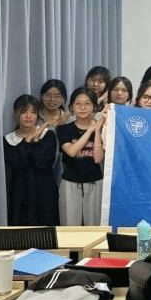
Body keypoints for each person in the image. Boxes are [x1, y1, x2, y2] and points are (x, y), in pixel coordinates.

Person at [4, 95, 59, 226]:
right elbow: (18, 163)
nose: (28, 116)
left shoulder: (48, 135)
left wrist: (35, 140)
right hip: (19, 194)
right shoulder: (9, 140)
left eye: (33, 112)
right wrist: (28, 141)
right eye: (24, 112)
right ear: (16, 113)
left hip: (45, 193)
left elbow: (42, 163)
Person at [57, 87, 106, 226]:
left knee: (95, 227)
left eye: (87, 104)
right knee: (70, 227)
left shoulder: (102, 129)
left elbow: (98, 159)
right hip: (70, 184)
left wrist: (97, 132)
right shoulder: (64, 129)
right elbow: (72, 151)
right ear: (72, 107)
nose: (82, 108)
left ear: (94, 106)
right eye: (78, 104)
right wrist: (90, 130)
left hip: (95, 183)